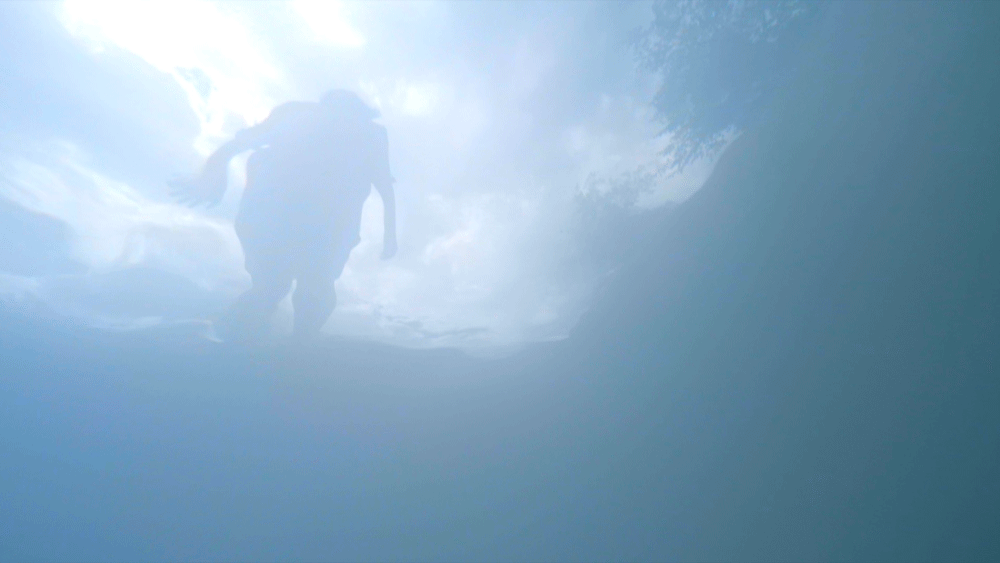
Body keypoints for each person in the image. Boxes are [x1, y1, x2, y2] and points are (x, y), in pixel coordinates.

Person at [170, 89, 397, 340]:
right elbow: (234, 147)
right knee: (286, 285)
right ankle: (253, 334)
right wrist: (213, 176)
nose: (338, 123)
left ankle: (289, 339)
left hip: (314, 222)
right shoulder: (299, 117)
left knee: (303, 286)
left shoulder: (367, 133)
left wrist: (390, 235)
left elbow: (384, 183)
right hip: (279, 215)